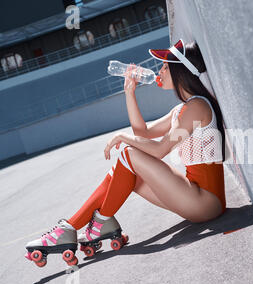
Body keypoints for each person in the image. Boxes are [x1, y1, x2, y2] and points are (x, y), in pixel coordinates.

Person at [25, 39, 227, 266]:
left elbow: (159, 150)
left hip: (206, 203)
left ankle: (96, 224)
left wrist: (121, 137)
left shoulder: (196, 107)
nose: (159, 71)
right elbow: (143, 131)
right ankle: (74, 227)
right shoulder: (182, 109)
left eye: (165, 66)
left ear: (181, 71)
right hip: (192, 194)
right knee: (126, 172)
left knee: (129, 153)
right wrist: (129, 92)